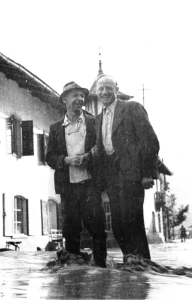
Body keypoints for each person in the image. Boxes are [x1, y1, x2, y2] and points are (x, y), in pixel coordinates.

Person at [95, 75, 160, 262]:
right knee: (118, 224)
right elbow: (100, 151)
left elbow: (150, 141)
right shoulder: (98, 119)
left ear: (116, 89)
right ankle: (130, 261)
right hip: (111, 177)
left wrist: (147, 173)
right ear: (97, 93)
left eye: (108, 87)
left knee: (133, 220)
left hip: (132, 174)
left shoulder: (132, 108)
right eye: (101, 89)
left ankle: (142, 264)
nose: (105, 92)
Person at [46, 81, 107, 268]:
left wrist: (88, 156)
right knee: (70, 229)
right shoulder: (55, 128)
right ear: (64, 100)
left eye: (82, 96)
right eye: (75, 96)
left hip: (90, 184)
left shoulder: (94, 122)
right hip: (68, 186)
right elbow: (49, 157)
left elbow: (102, 147)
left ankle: (101, 268)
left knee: (97, 228)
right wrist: (65, 160)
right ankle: (73, 271)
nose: (79, 100)